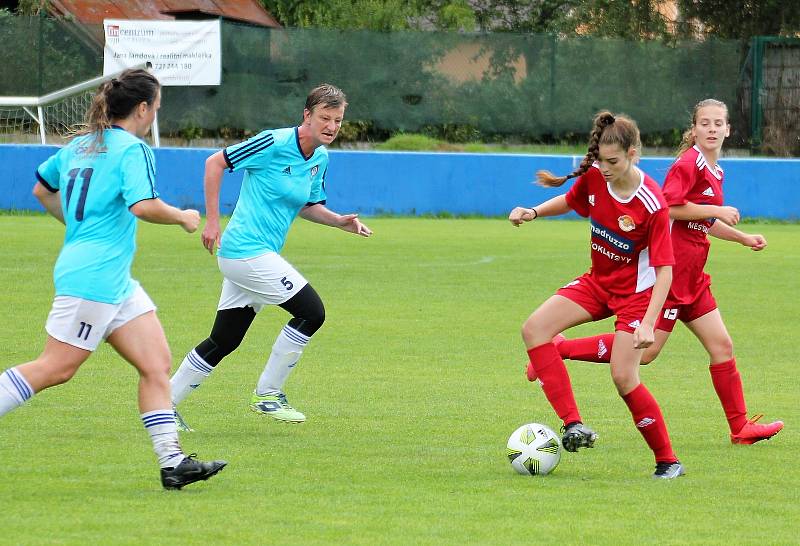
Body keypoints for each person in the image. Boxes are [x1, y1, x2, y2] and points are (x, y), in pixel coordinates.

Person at [0, 68, 226, 489]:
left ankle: (172, 462)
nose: (155, 114)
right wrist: (182, 216)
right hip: (95, 277)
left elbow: (41, 189)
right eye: (155, 108)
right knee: (56, 368)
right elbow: (143, 205)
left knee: (156, 364)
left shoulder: (80, 146)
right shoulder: (132, 150)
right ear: (142, 109)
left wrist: (79, 227)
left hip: (111, 278)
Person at [552, 99, 783, 445]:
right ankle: (560, 350)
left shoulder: (714, 168)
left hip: (694, 278)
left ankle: (740, 429)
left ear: (728, 129)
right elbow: (672, 208)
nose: (712, 129)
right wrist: (717, 209)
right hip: (671, 276)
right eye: (705, 123)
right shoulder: (689, 164)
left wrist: (741, 237)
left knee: (722, 346)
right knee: (644, 353)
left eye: (718, 123)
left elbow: (701, 220)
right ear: (694, 129)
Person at [170, 83, 372, 430]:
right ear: (306, 116)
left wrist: (339, 221)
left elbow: (308, 205)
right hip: (244, 250)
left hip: (256, 256)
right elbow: (214, 163)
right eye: (325, 118)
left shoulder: (320, 158)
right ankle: (268, 394)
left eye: (338, 120)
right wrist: (213, 221)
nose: (332, 126)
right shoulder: (273, 142)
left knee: (225, 339)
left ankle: (164, 405)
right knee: (312, 312)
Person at [509, 111, 684, 479]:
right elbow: (573, 203)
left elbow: (665, 270)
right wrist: (534, 212)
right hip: (598, 283)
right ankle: (573, 424)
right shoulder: (594, 177)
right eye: (600, 160)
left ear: (633, 153)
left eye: (613, 161)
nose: (604, 168)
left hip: (637, 296)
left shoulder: (653, 204)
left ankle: (668, 460)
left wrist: (649, 323)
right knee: (534, 329)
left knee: (624, 377)